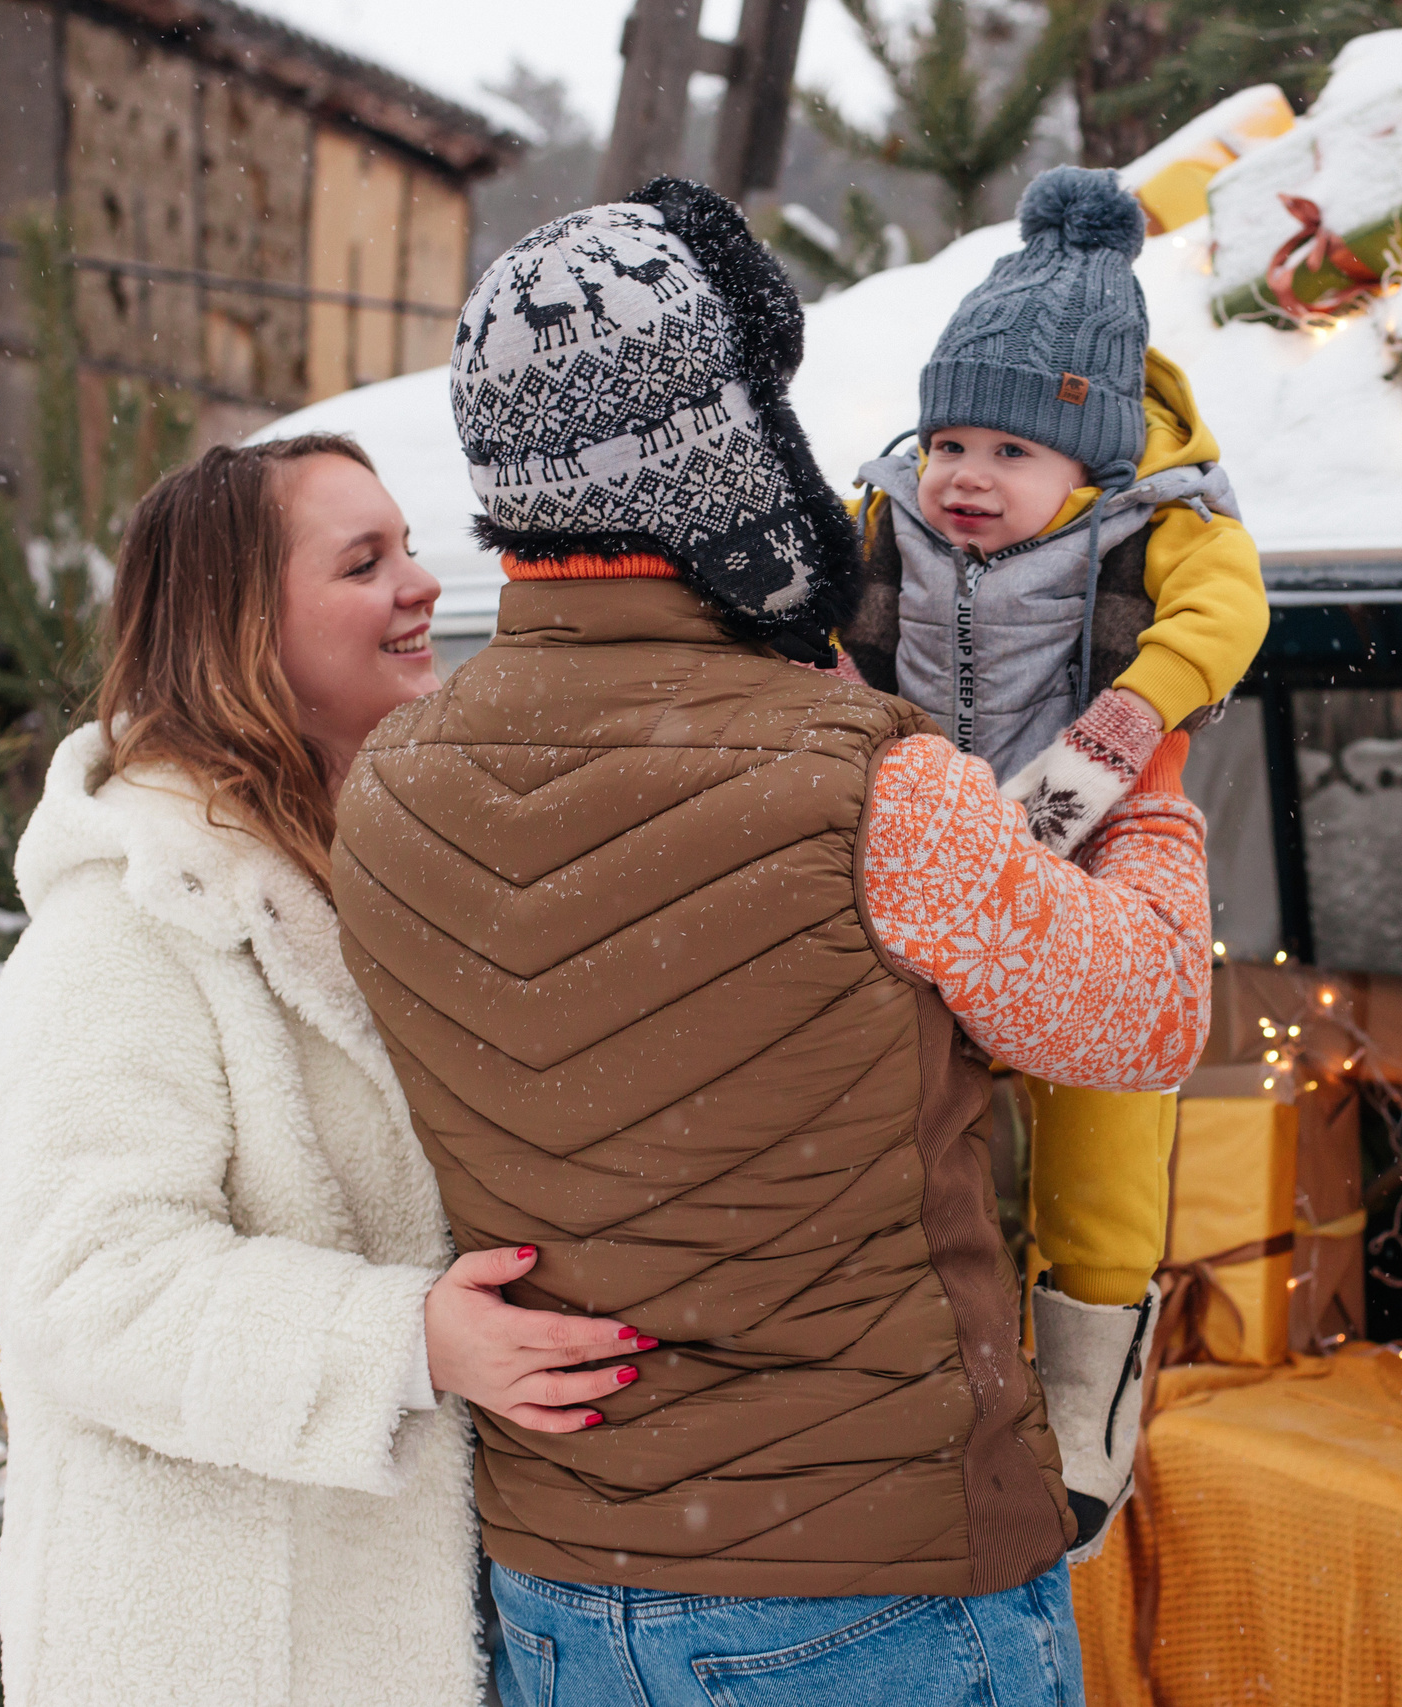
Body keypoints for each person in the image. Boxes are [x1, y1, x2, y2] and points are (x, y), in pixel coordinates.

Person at [332, 180, 1211, 1705]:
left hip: (557, 1589)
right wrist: (1152, 780)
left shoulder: (387, 785)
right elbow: (1143, 1015)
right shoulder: (869, 783)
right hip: (870, 1594)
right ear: (723, 457)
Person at [0, 435, 652, 1707]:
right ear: (240, 628)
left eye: (409, 547)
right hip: (223, 1652)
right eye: (363, 563)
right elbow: (86, 1286)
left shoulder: (394, 869)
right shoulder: (126, 919)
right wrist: (406, 1340)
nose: (422, 583)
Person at [840, 164, 1267, 1550]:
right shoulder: (886, 519)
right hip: (921, 871)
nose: (967, 475)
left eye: (1012, 453)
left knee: (1105, 1118)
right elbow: (821, 625)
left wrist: (1140, 707)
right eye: (950, 440)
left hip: (1078, 853)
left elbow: (1229, 611)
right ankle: (918, 1371)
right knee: (905, 1118)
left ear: (1093, 463)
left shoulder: (1163, 521)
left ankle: (1089, 1385)